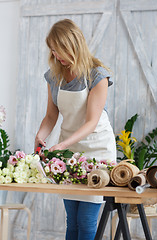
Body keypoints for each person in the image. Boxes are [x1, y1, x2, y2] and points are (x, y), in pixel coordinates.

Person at [35, 18, 117, 240]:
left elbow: (91, 122)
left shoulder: (97, 76)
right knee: (72, 222)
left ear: (74, 46)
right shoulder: (54, 76)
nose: (56, 56)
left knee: (86, 222)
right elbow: (51, 115)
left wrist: (61, 145)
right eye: (53, 51)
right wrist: (41, 136)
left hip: (97, 152)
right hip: (70, 154)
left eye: (60, 50)